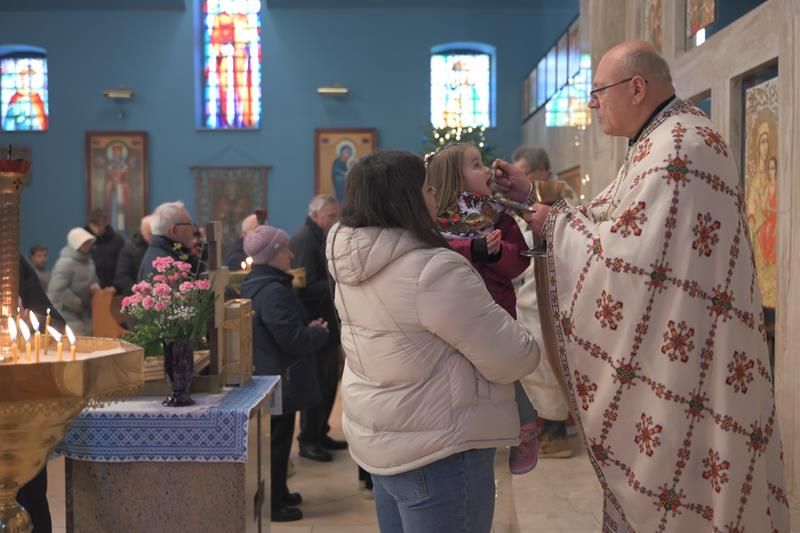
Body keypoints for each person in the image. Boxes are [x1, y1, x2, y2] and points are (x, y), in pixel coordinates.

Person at [494, 40, 788, 531]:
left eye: (598, 91)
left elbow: (631, 260)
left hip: (689, 358)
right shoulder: (663, 137)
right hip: (685, 347)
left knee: (690, 484)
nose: (592, 103)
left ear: (635, 88)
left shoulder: (679, 147)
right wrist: (535, 202)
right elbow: (611, 218)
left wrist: (555, 224)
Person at [326, 150, 539, 532]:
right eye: (427, 188)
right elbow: (514, 358)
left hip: (384, 444)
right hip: (440, 450)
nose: (435, 196)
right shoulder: (432, 269)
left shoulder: (350, 263)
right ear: (405, 199)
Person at [427, 142, 539, 475]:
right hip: (454, 312)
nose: (487, 169)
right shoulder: (434, 217)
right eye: (476, 165)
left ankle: (526, 427)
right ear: (453, 176)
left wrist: (495, 253)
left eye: (483, 162)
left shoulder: (498, 214)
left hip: (494, 308)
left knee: (503, 373)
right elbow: (434, 252)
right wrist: (471, 248)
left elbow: (519, 261)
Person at [239, 224, 329, 523]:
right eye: (285, 249)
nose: (291, 254)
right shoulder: (273, 290)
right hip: (278, 377)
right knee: (277, 445)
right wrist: (317, 333)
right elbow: (291, 339)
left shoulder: (263, 283)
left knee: (280, 440)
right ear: (273, 254)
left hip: (274, 375)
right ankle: (274, 504)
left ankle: (280, 491)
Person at [510, 147, 573, 459]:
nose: (519, 180)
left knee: (548, 364)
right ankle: (545, 429)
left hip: (548, 299)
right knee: (535, 367)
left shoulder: (563, 203)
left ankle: (557, 435)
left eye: (524, 174)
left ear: (541, 172)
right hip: (528, 297)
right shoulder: (527, 203)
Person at [290, 195, 347, 463]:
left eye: (337, 215)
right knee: (317, 384)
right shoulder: (305, 239)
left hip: (326, 323)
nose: (335, 221)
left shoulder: (319, 236)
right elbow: (304, 286)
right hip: (315, 323)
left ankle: (320, 432)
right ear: (315, 215)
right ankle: (309, 439)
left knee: (328, 382)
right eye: (331, 216)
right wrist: (339, 282)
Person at [16, 255, 65, 533]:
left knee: (30, 501)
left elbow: (53, 323)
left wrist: (29, 321)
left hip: (20, 406)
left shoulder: (10, 260)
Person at [47, 227, 100, 336]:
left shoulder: (89, 261)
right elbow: (58, 288)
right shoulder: (65, 263)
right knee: (78, 337)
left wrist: (95, 287)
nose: (88, 246)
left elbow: (94, 279)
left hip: (85, 312)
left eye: (89, 243)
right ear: (77, 244)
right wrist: (77, 304)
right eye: (85, 243)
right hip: (64, 311)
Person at [138, 201, 198, 281]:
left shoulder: (157, 251)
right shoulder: (168, 267)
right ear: (174, 230)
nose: (194, 229)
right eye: (189, 224)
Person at [113, 215, 152, 296]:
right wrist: (138, 290)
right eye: (149, 232)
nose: (152, 235)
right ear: (142, 231)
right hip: (134, 295)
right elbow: (122, 276)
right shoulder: (129, 249)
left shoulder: (158, 248)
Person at [86, 209, 124, 289]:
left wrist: (116, 286)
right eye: (94, 226)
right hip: (91, 289)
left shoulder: (118, 240)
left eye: (100, 225)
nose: (97, 229)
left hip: (115, 288)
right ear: (89, 225)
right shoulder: (85, 242)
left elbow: (123, 265)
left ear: (105, 223)